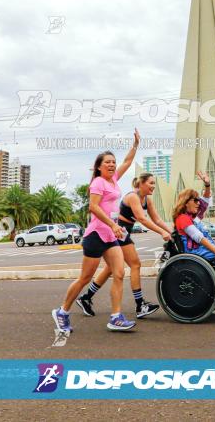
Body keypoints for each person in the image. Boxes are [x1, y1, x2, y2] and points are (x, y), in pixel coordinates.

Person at [53, 130, 140, 333]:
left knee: (119, 273)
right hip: (95, 236)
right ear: (99, 167)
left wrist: (135, 145)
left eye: (113, 162)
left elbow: (127, 161)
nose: (111, 164)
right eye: (107, 162)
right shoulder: (98, 183)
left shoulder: (114, 180)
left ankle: (116, 317)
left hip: (111, 237)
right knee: (85, 278)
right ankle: (62, 311)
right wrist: (113, 224)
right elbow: (93, 207)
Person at [76, 172, 173, 319]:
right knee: (135, 264)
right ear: (141, 183)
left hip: (123, 232)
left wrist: (171, 231)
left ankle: (86, 297)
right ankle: (140, 305)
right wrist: (161, 233)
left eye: (154, 183)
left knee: (110, 268)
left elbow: (157, 219)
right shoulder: (133, 197)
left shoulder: (147, 200)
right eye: (151, 183)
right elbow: (142, 219)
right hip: (119, 231)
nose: (153, 186)